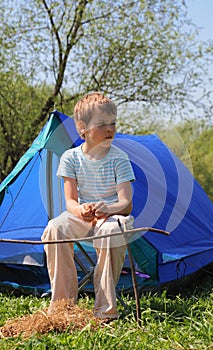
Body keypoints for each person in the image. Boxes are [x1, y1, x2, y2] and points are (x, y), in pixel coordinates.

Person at [42, 92, 135, 320]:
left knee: (111, 230)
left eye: (113, 123)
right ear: (82, 127)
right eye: (102, 124)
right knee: (55, 227)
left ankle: (105, 311)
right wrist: (81, 211)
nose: (109, 129)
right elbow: (71, 202)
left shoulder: (119, 158)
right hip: (84, 217)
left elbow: (126, 204)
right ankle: (63, 308)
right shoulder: (71, 158)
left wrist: (108, 209)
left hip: (113, 216)